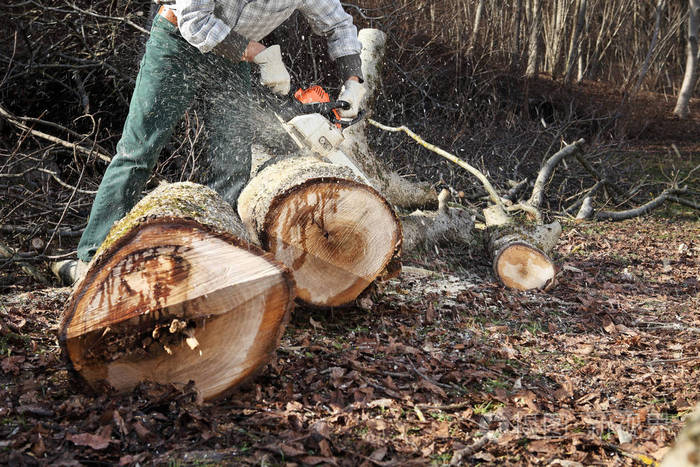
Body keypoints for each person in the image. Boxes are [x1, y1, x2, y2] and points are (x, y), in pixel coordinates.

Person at [53, 0, 366, 285]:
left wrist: (353, 83)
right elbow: (195, 20)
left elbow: (338, 24)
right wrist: (261, 54)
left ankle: (211, 260)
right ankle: (92, 258)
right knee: (139, 151)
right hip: (178, 42)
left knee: (231, 162)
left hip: (234, 58)